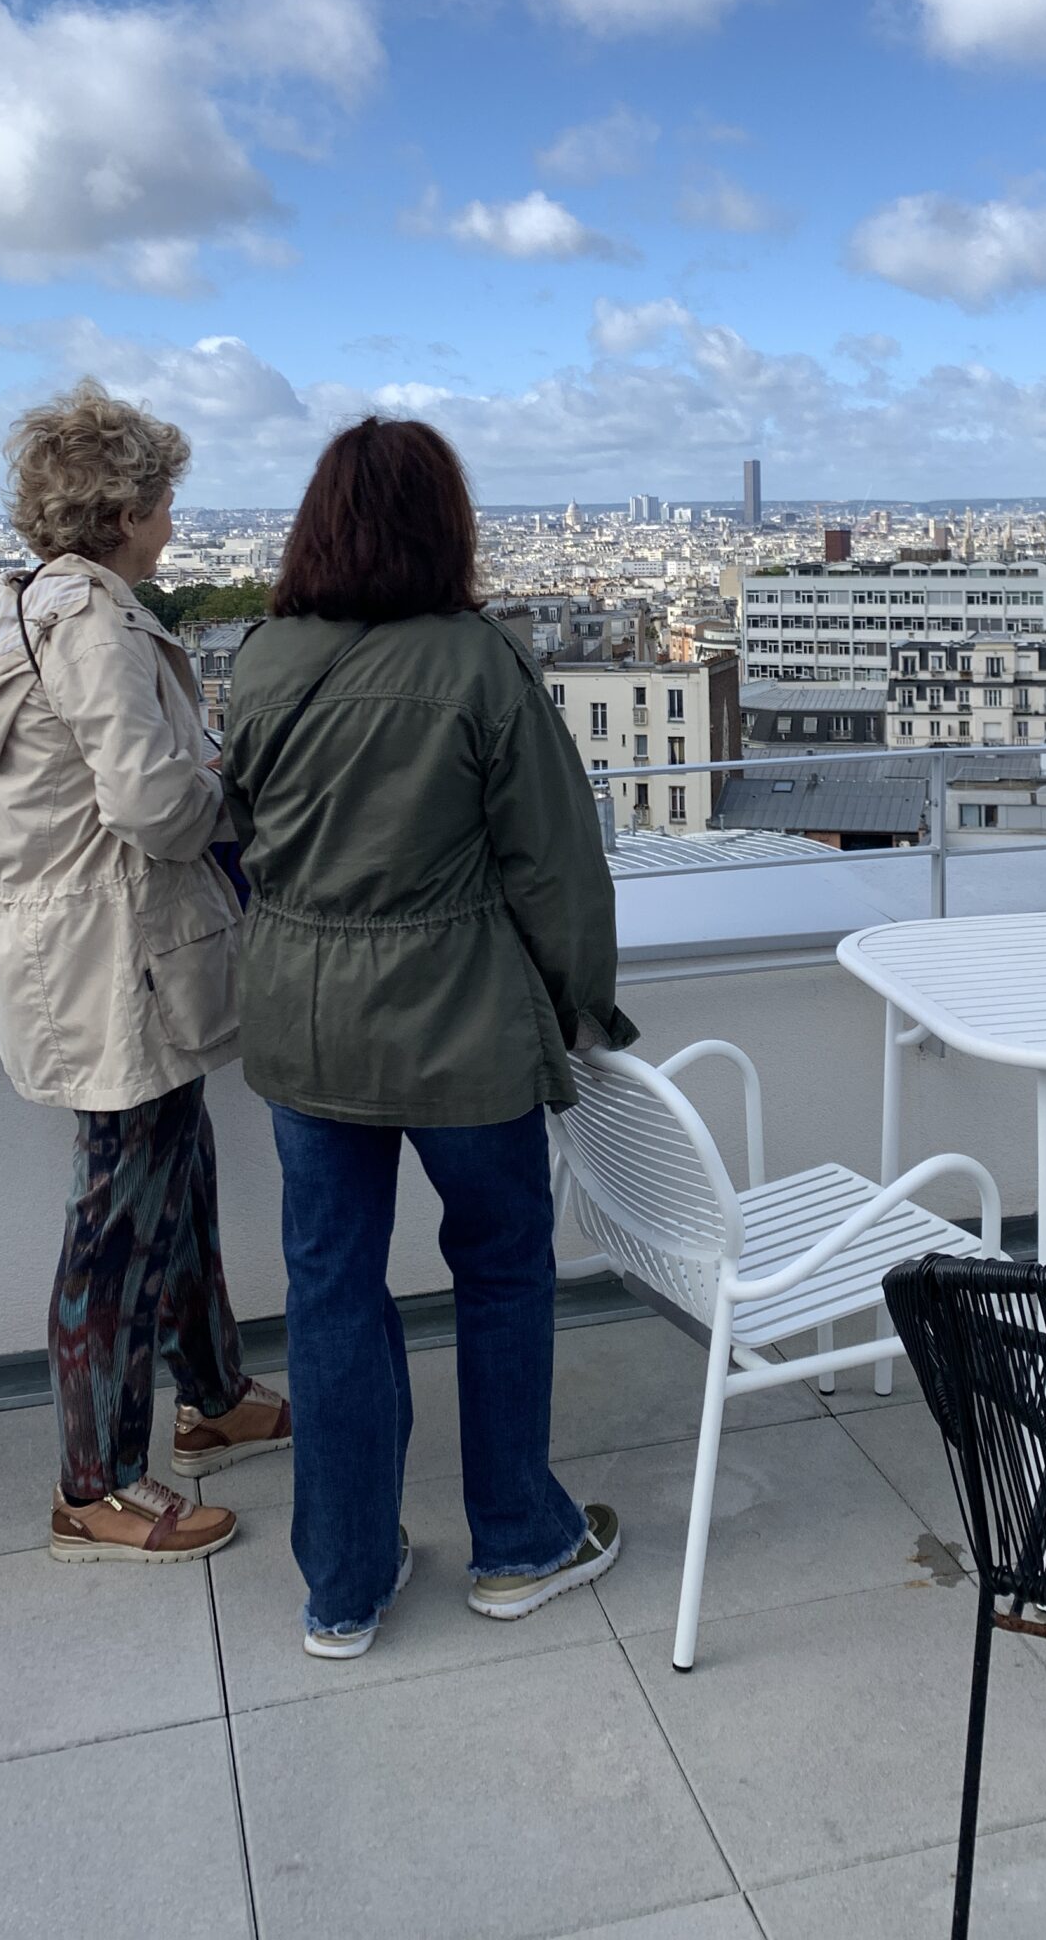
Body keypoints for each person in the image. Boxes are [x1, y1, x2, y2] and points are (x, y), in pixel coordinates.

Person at [221, 415, 634, 1658]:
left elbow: (237, 828)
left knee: (330, 1288)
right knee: (502, 1266)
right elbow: (558, 866)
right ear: (445, 525)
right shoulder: (479, 662)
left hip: (303, 1019)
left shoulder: (260, 657)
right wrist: (581, 1005)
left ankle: (344, 1580)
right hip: (462, 1020)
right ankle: (518, 1537)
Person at [0, 379, 290, 1563]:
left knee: (173, 1178)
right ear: (125, 507)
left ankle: (216, 1395)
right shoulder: (93, 621)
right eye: (165, 500)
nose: (175, 522)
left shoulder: (13, 604)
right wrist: (229, 780)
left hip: (70, 947)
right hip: (111, 953)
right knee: (118, 1216)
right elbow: (153, 805)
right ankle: (96, 1483)